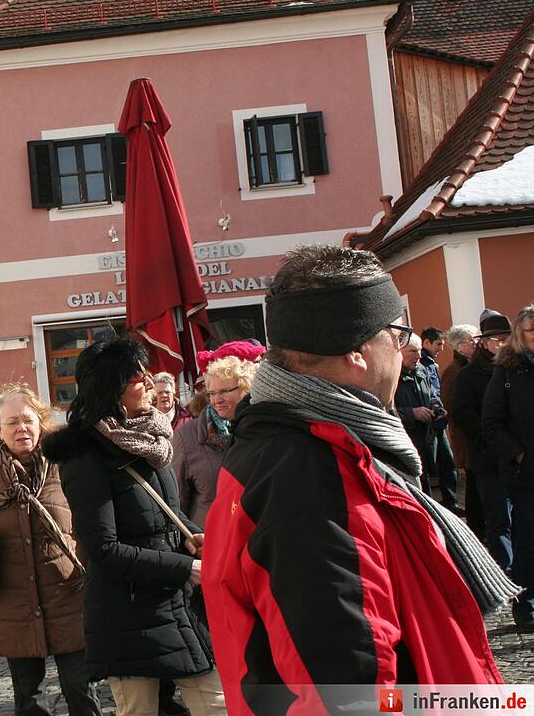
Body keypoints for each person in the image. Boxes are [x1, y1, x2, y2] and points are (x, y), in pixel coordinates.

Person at [203, 245, 508, 715]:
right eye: (397, 334)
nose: (404, 350)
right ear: (356, 352)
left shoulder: (290, 442)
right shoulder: (314, 477)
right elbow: (346, 694)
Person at [43, 336, 222, 716]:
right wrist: (184, 568)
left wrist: (191, 533)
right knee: (139, 710)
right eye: (138, 376)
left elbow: (163, 512)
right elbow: (102, 549)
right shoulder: (86, 456)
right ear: (111, 387)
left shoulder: (151, 438)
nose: (149, 381)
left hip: (175, 602)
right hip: (125, 611)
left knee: (216, 704)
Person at [0, 383, 101, 716]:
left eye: (27, 420)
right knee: (30, 702)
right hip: (14, 607)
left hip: (70, 601)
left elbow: (95, 521)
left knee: (82, 693)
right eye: (12, 422)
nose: (21, 428)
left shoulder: (66, 464)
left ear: (41, 422)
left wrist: (96, 570)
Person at [483, 303, 534, 632]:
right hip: (526, 475)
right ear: (520, 334)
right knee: (528, 542)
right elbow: (491, 423)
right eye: (533, 330)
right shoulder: (506, 371)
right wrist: (519, 455)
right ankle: (526, 605)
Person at [453, 311, 513, 570]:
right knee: (498, 521)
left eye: (507, 339)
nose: (504, 344)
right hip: (489, 458)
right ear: (485, 343)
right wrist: (493, 437)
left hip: (518, 457)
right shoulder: (468, 376)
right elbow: (463, 415)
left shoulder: (516, 369)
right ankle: (504, 574)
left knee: (520, 518)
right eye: (498, 340)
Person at [173, 353, 258, 527]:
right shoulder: (188, 435)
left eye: (225, 391)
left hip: (254, 534)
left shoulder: (261, 430)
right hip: (210, 535)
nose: (217, 400)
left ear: (246, 389)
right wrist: (192, 535)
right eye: (212, 393)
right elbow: (177, 502)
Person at [395, 333, 461, 507]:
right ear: (399, 351)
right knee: (418, 483)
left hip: (427, 435)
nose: (418, 356)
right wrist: (412, 413)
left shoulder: (421, 370)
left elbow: (432, 395)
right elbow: (386, 410)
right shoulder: (390, 376)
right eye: (413, 351)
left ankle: (448, 505)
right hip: (407, 438)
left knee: (439, 469)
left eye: (419, 351)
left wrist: (436, 406)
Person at [442, 323, 481, 534]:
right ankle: (476, 530)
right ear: (458, 346)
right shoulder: (454, 372)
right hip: (467, 439)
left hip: (472, 438)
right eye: (470, 340)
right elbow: (451, 406)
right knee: (474, 485)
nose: (475, 343)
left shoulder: (471, 366)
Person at [419, 325, 463, 515]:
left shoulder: (433, 365)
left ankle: (450, 502)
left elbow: (435, 392)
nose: (441, 348)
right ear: (426, 343)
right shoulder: (419, 364)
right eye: (438, 344)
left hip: (438, 419)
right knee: (428, 466)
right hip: (425, 423)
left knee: (446, 462)